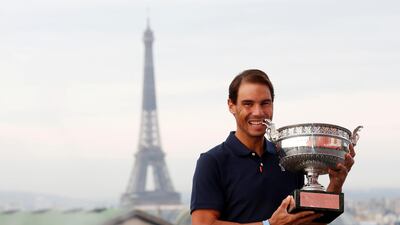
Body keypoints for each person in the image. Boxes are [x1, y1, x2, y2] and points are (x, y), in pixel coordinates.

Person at [190, 69, 355, 225]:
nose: (258, 112)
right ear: (231, 105)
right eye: (248, 104)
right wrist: (269, 224)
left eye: (265, 103)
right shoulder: (212, 162)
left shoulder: (288, 159)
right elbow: (203, 223)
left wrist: (335, 184)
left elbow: (309, 221)